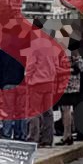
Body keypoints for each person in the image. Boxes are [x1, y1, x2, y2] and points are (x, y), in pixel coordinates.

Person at [0, 21, 28, 141]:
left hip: (7, 84)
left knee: (8, 111)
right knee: (21, 112)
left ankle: (7, 134)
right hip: (22, 83)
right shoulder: (24, 49)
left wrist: (0, 85)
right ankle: (20, 135)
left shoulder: (3, 49)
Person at [24, 18, 59, 147]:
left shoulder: (33, 44)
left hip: (36, 82)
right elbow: (56, 64)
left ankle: (33, 138)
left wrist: (28, 78)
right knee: (48, 112)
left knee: (34, 112)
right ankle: (47, 139)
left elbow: (31, 64)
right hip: (49, 81)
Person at [56, 24, 83, 145]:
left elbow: (79, 67)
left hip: (68, 85)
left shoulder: (70, 51)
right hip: (68, 84)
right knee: (65, 110)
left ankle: (67, 135)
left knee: (66, 109)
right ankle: (68, 134)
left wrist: (63, 71)